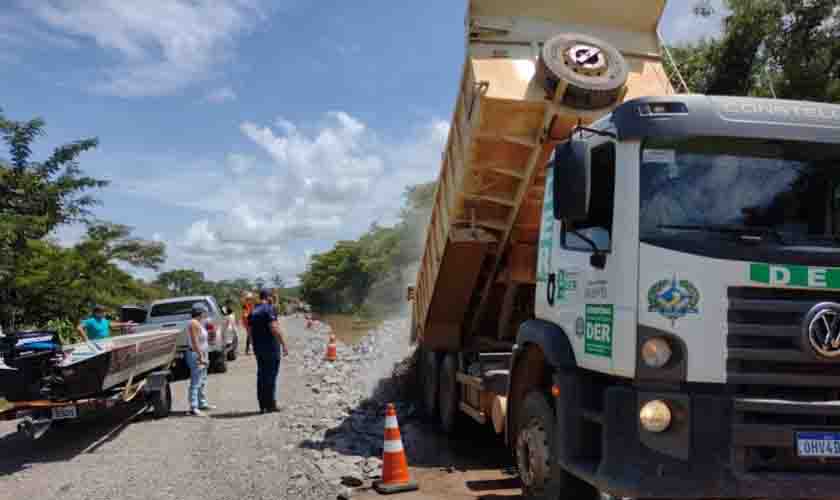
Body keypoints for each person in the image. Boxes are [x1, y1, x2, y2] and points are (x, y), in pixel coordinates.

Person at [248, 289, 289, 413]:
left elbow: (249, 332)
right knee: (271, 376)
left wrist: (252, 345)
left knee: (261, 375)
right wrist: (284, 344)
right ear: (268, 297)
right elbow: (274, 328)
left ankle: (262, 406)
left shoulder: (253, 311)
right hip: (270, 348)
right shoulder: (268, 309)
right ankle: (271, 405)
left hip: (258, 348)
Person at [186, 303, 215, 416]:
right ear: (200, 312)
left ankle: (201, 403)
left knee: (202, 380)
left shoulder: (200, 323)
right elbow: (194, 342)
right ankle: (193, 406)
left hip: (202, 353)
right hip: (196, 355)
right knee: (196, 381)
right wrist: (201, 356)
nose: (206, 314)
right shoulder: (193, 323)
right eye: (204, 312)